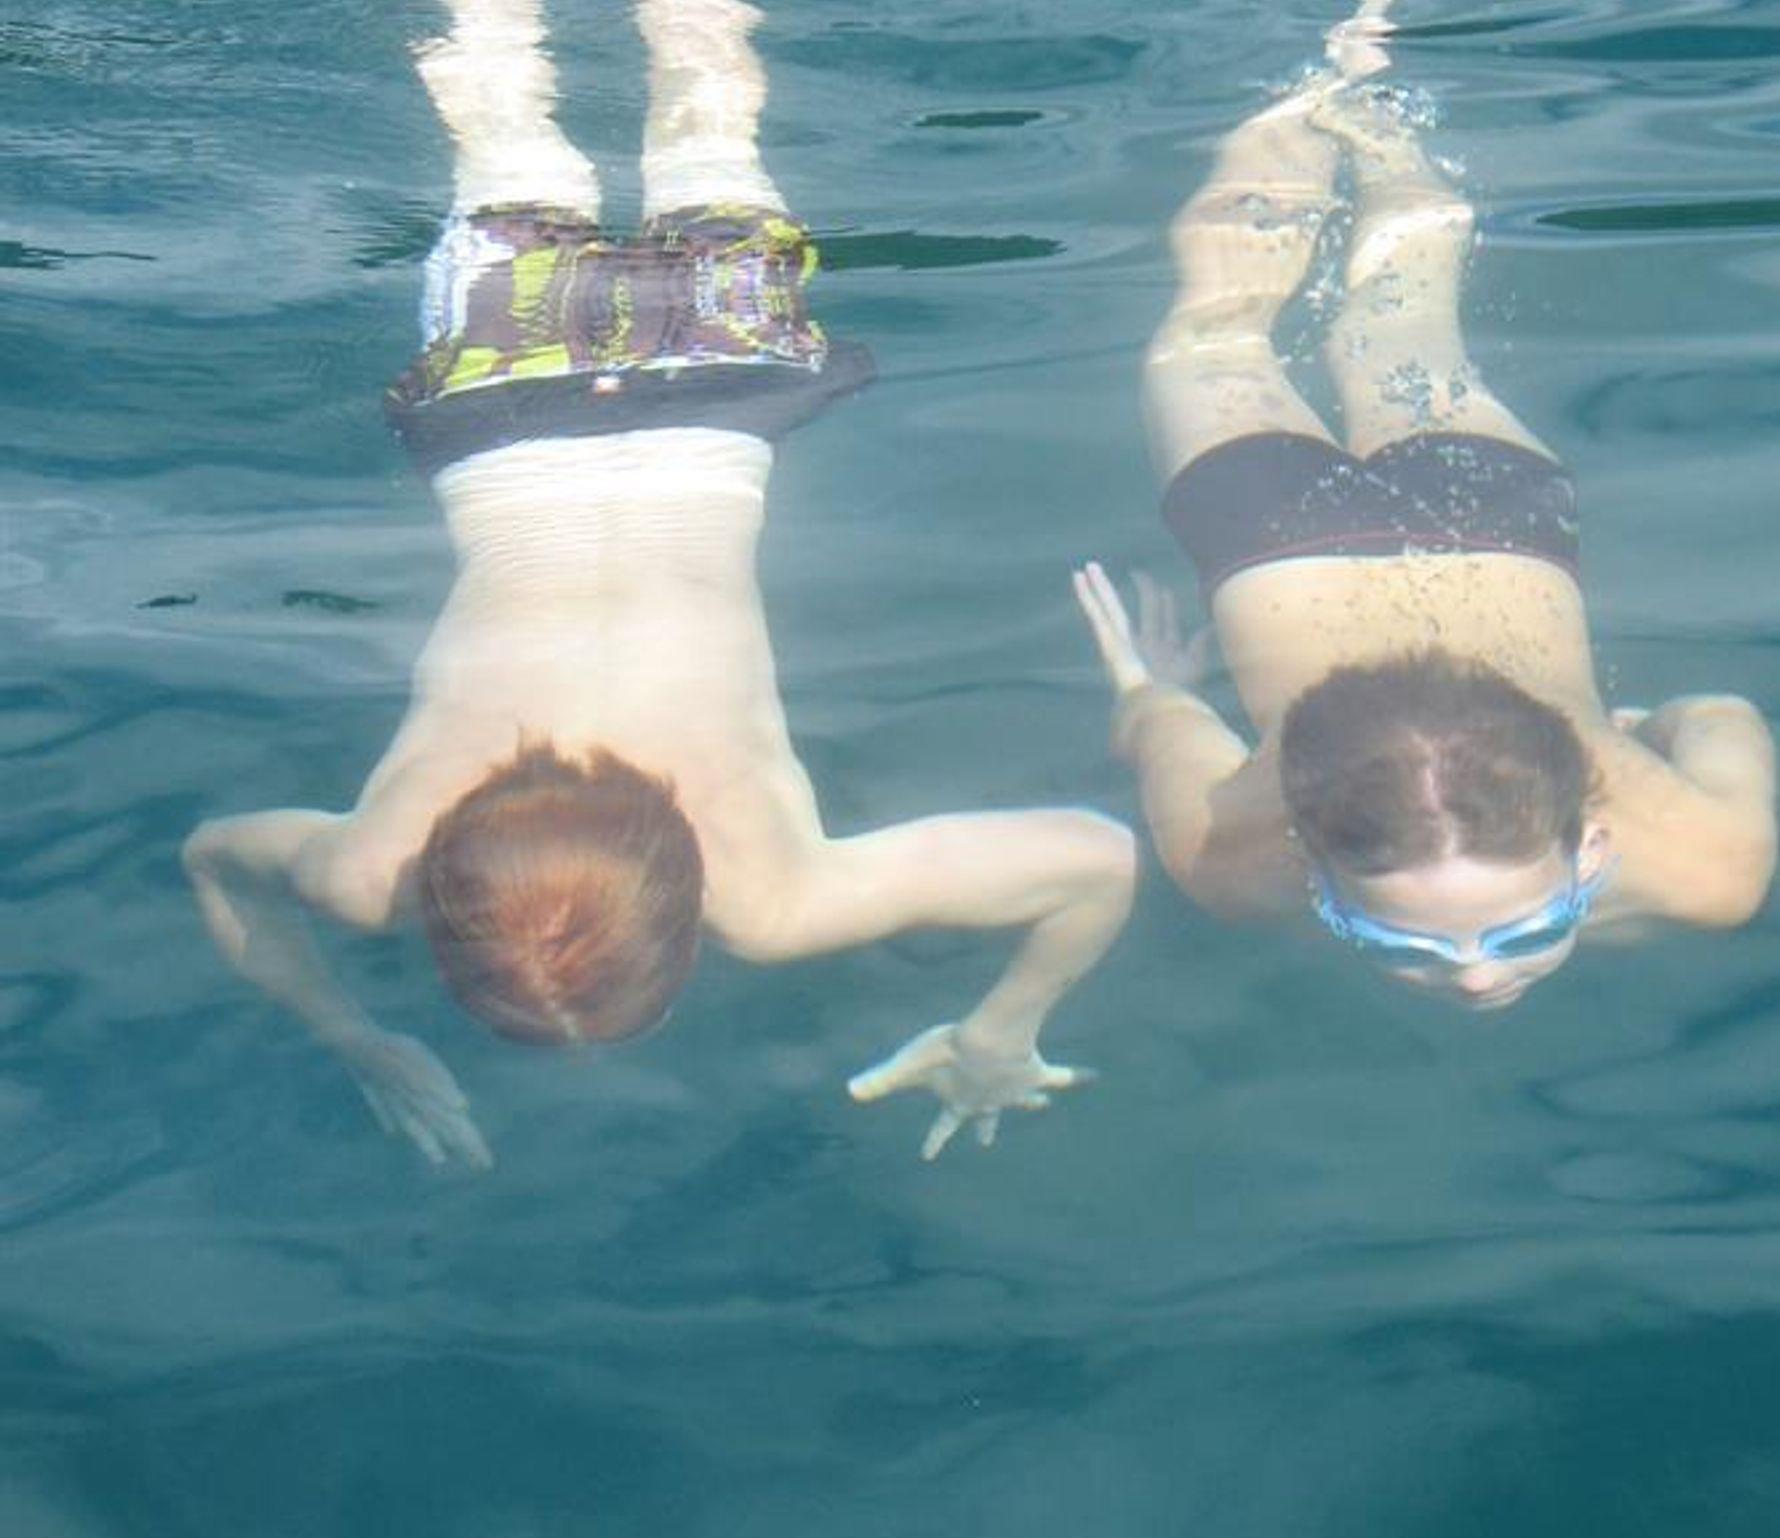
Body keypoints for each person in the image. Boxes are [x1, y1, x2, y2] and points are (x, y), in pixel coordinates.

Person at [184, 0, 1134, 1167]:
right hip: (502, 398)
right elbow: (214, 855)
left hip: (720, 381)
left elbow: (1096, 860)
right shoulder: (374, 865)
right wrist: (352, 1029)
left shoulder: (770, 896)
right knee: (499, 116)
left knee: (706, 96)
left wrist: (1001, 1029)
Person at [1073, 1, 1775, 1011]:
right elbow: (1158, 728)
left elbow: (1716, 715)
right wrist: (1148, 694)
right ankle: (1344, 87)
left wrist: (1636, 728)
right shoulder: (1705, 874)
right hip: (1289, 537)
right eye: (1394, 937)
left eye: (1532, 927)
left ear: (1592, 843)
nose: (1476, 973)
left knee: (1364, 329)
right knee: (1237, 330)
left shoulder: (1711, 858)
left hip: (1483, 517)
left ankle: (1342, 88)